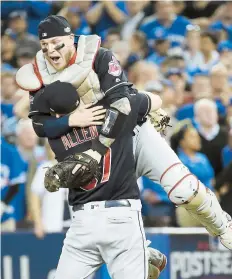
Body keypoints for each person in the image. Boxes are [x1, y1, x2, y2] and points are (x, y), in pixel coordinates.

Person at [16, 15, 232, 254]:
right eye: (44, 45)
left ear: (71, 40)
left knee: (182, 189)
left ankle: (222, 225)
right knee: (105, 217)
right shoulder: (40, 75)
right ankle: (147, 260)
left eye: (56, 42)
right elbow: (39, 125)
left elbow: (129, 102)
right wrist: (71, 120)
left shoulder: (98, 57)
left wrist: (150, 105)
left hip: (131, 133)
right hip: (94, 147)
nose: (50, 50)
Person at [16, 83, 165, 279]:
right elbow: (152, 100)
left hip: (83, 222)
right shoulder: (118, 113)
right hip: (123, 217)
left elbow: (39, 118)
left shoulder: (56, 134)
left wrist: (65, 117)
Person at [171, 123, 215, 227]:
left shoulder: (203, 158)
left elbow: (211, 179)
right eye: (192, 137)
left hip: (209, 206)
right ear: (182, 142)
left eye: (197, 136)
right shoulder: (178, 160)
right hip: (189, 209)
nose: (197, 139)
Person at [194, 98, 228, 176]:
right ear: (196, 117)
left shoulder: (227, 135)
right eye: (205, 112)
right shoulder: (192, 137)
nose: (209, 114)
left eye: (212, 111)